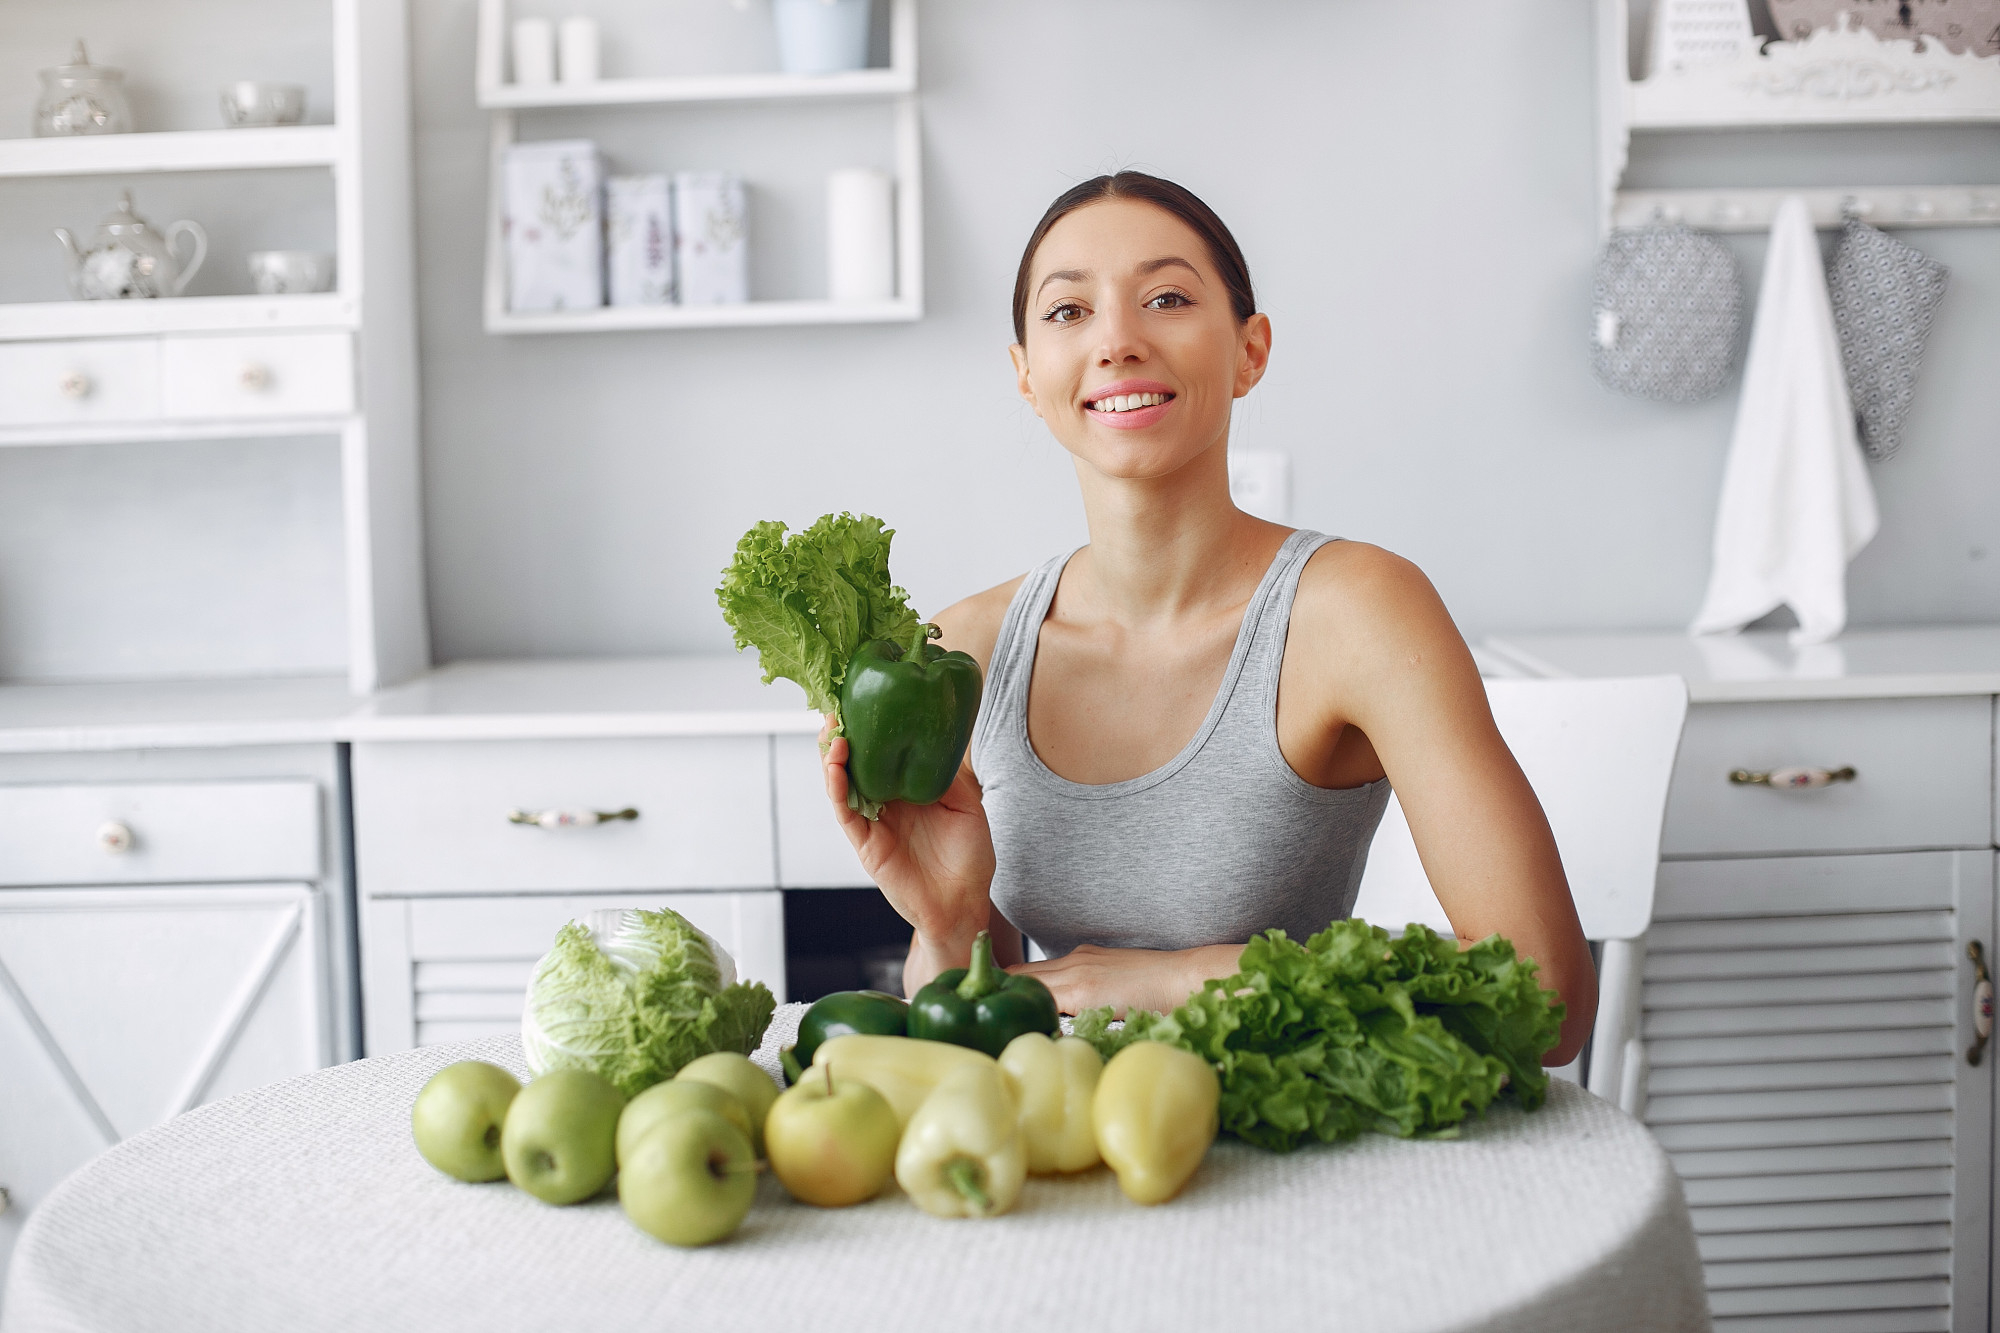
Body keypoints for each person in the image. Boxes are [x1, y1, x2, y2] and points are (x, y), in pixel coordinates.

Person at [821, 172, 1596, 1065]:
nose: (1116, 341)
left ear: (1249, 351)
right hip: (1077, 1147)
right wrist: (951, 919)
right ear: (1026, 375)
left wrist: (1179, 975)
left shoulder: (1357, 612)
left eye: (1167, 298)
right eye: (1069, 312)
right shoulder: (967, 652)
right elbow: (977, 1030)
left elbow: (1548, 998)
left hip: (1306, 1145)